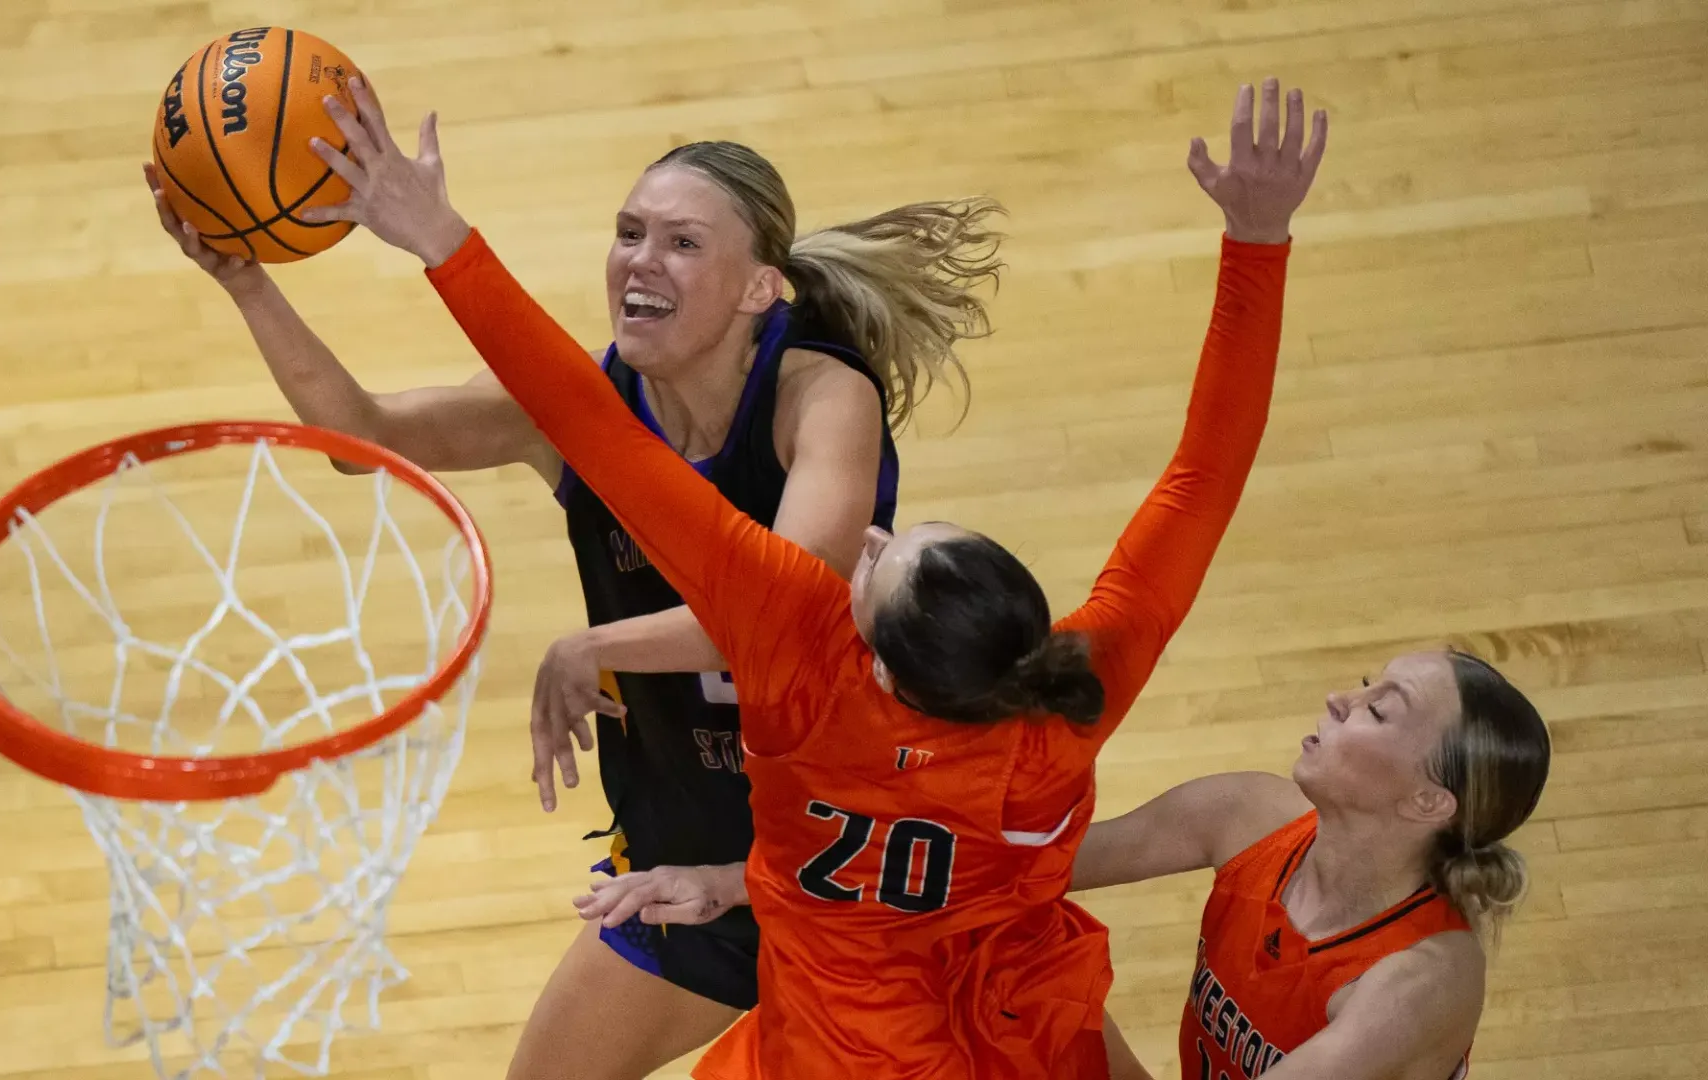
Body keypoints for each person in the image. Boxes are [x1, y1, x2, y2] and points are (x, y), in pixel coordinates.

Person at [305, 75, 1325, 1077]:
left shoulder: (801, 683)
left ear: (879, 662)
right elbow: (1201, 484)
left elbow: (591, 427)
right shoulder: (1067, 712)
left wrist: (445, 242)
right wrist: (1259, 245)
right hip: (1020, 1040)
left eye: (887, 559)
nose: (868, 544)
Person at [143, 130, 1005, 1078]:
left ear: (762, 287)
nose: (641, 258)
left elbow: (782, 611)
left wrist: (591, 645)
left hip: (865, 856)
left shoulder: (820, 398)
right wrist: (247, 282)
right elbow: (362, 439)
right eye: (630, 231)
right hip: (689, 861)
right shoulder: (577, 403)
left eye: (682, 242)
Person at [1072, 649, 1551, 1080]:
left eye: (1379, 710)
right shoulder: (1244, 814)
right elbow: (1037, 867)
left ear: (1428, 801)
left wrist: (1057, 1004)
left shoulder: (1419, 984)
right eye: (1367, 683)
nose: (1339, 699)